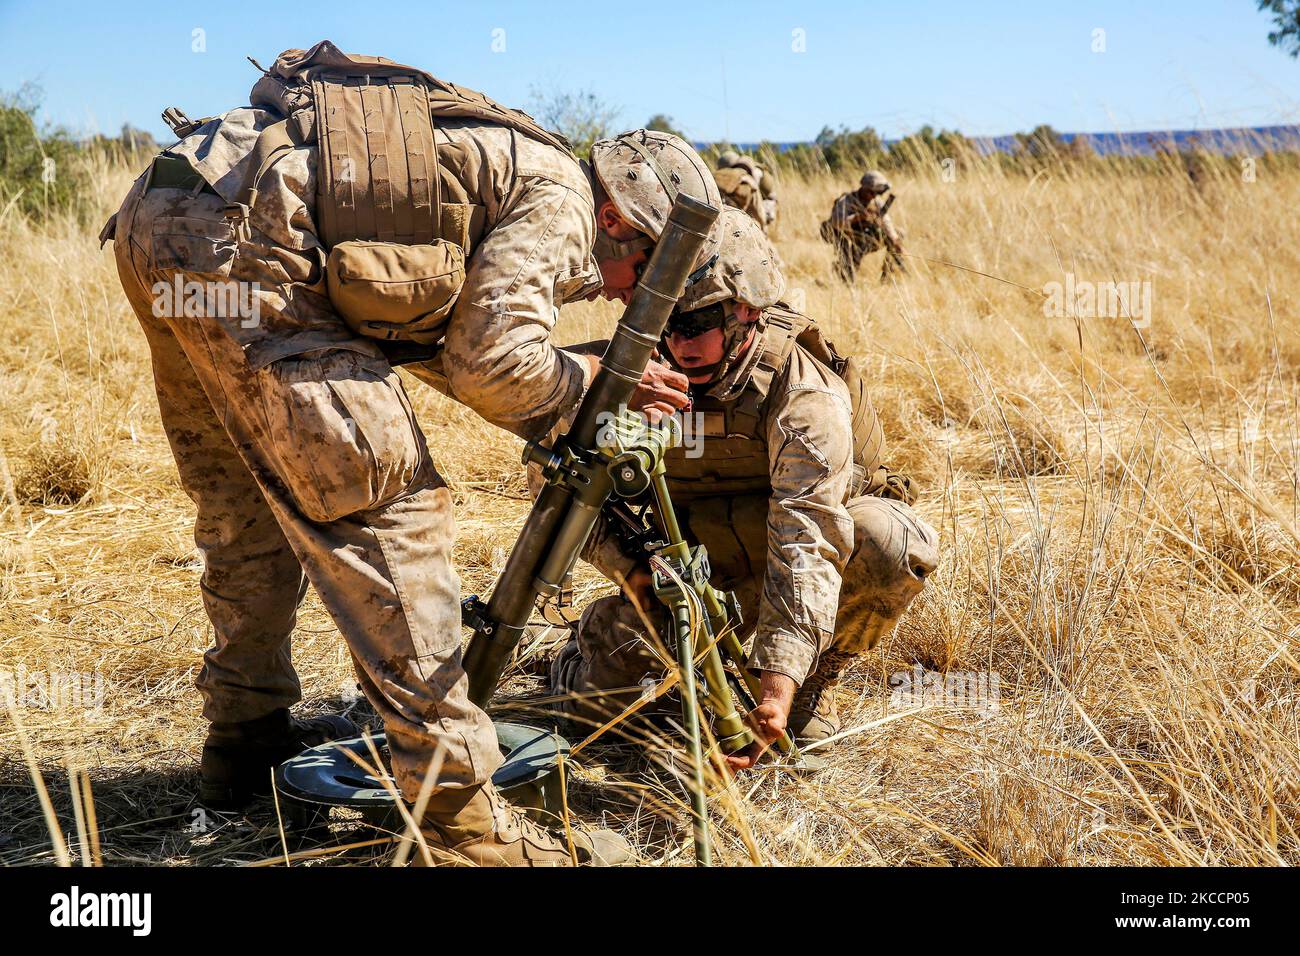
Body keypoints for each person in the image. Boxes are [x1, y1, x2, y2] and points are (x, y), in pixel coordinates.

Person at [103, 40, 722, 866]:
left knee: (247, 501)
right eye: (639, 273)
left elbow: (412, 322)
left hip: (169, 214)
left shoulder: (488, 161)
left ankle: (245, 745)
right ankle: (461, 816)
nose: (617, 292)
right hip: (251, 247)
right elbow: (492, 363)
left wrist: (569, 382)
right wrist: (597, 382)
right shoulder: (565, 202)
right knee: (388, 496)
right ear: (620, 223)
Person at [548, 208, 940, 768]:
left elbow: (808, 534)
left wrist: (777, 689)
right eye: (663, 321)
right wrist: (628, 567)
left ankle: (811, 679)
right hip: (673, 577)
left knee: (889, 539)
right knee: (592, 720)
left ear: (746, 310)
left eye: (696, 324)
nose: (678, 344)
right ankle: (587, 649)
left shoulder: (802, 389)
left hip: (782, 562)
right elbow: (555, 480)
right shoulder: (628, 370)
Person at [821, 170, 906, 282]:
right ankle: (843, 271)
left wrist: (896, 242)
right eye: (872, 192)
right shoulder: (846, 201)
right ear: (864, 189)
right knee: (848, 276)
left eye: (877, 193)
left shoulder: (877, 202)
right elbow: (836, 223)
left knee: (898, 234)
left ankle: (888, 277)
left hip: (868, 238)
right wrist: (857, 218)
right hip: (849, 238)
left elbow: (887, 223)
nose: (874, 196)